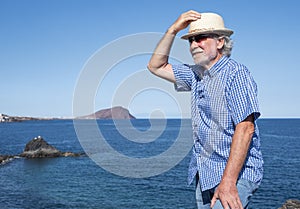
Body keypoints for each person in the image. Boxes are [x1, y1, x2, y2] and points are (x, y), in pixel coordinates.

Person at [147, 10, 263, 209]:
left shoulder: (236, 74)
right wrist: (173, 29)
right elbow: (156, 66)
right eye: (191, 40)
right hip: (206, 174)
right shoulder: (196, 75)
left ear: (220, 42)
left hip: (235, 175)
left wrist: (228, 182)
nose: (193, 45)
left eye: (200, 38)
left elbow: (246, 128)